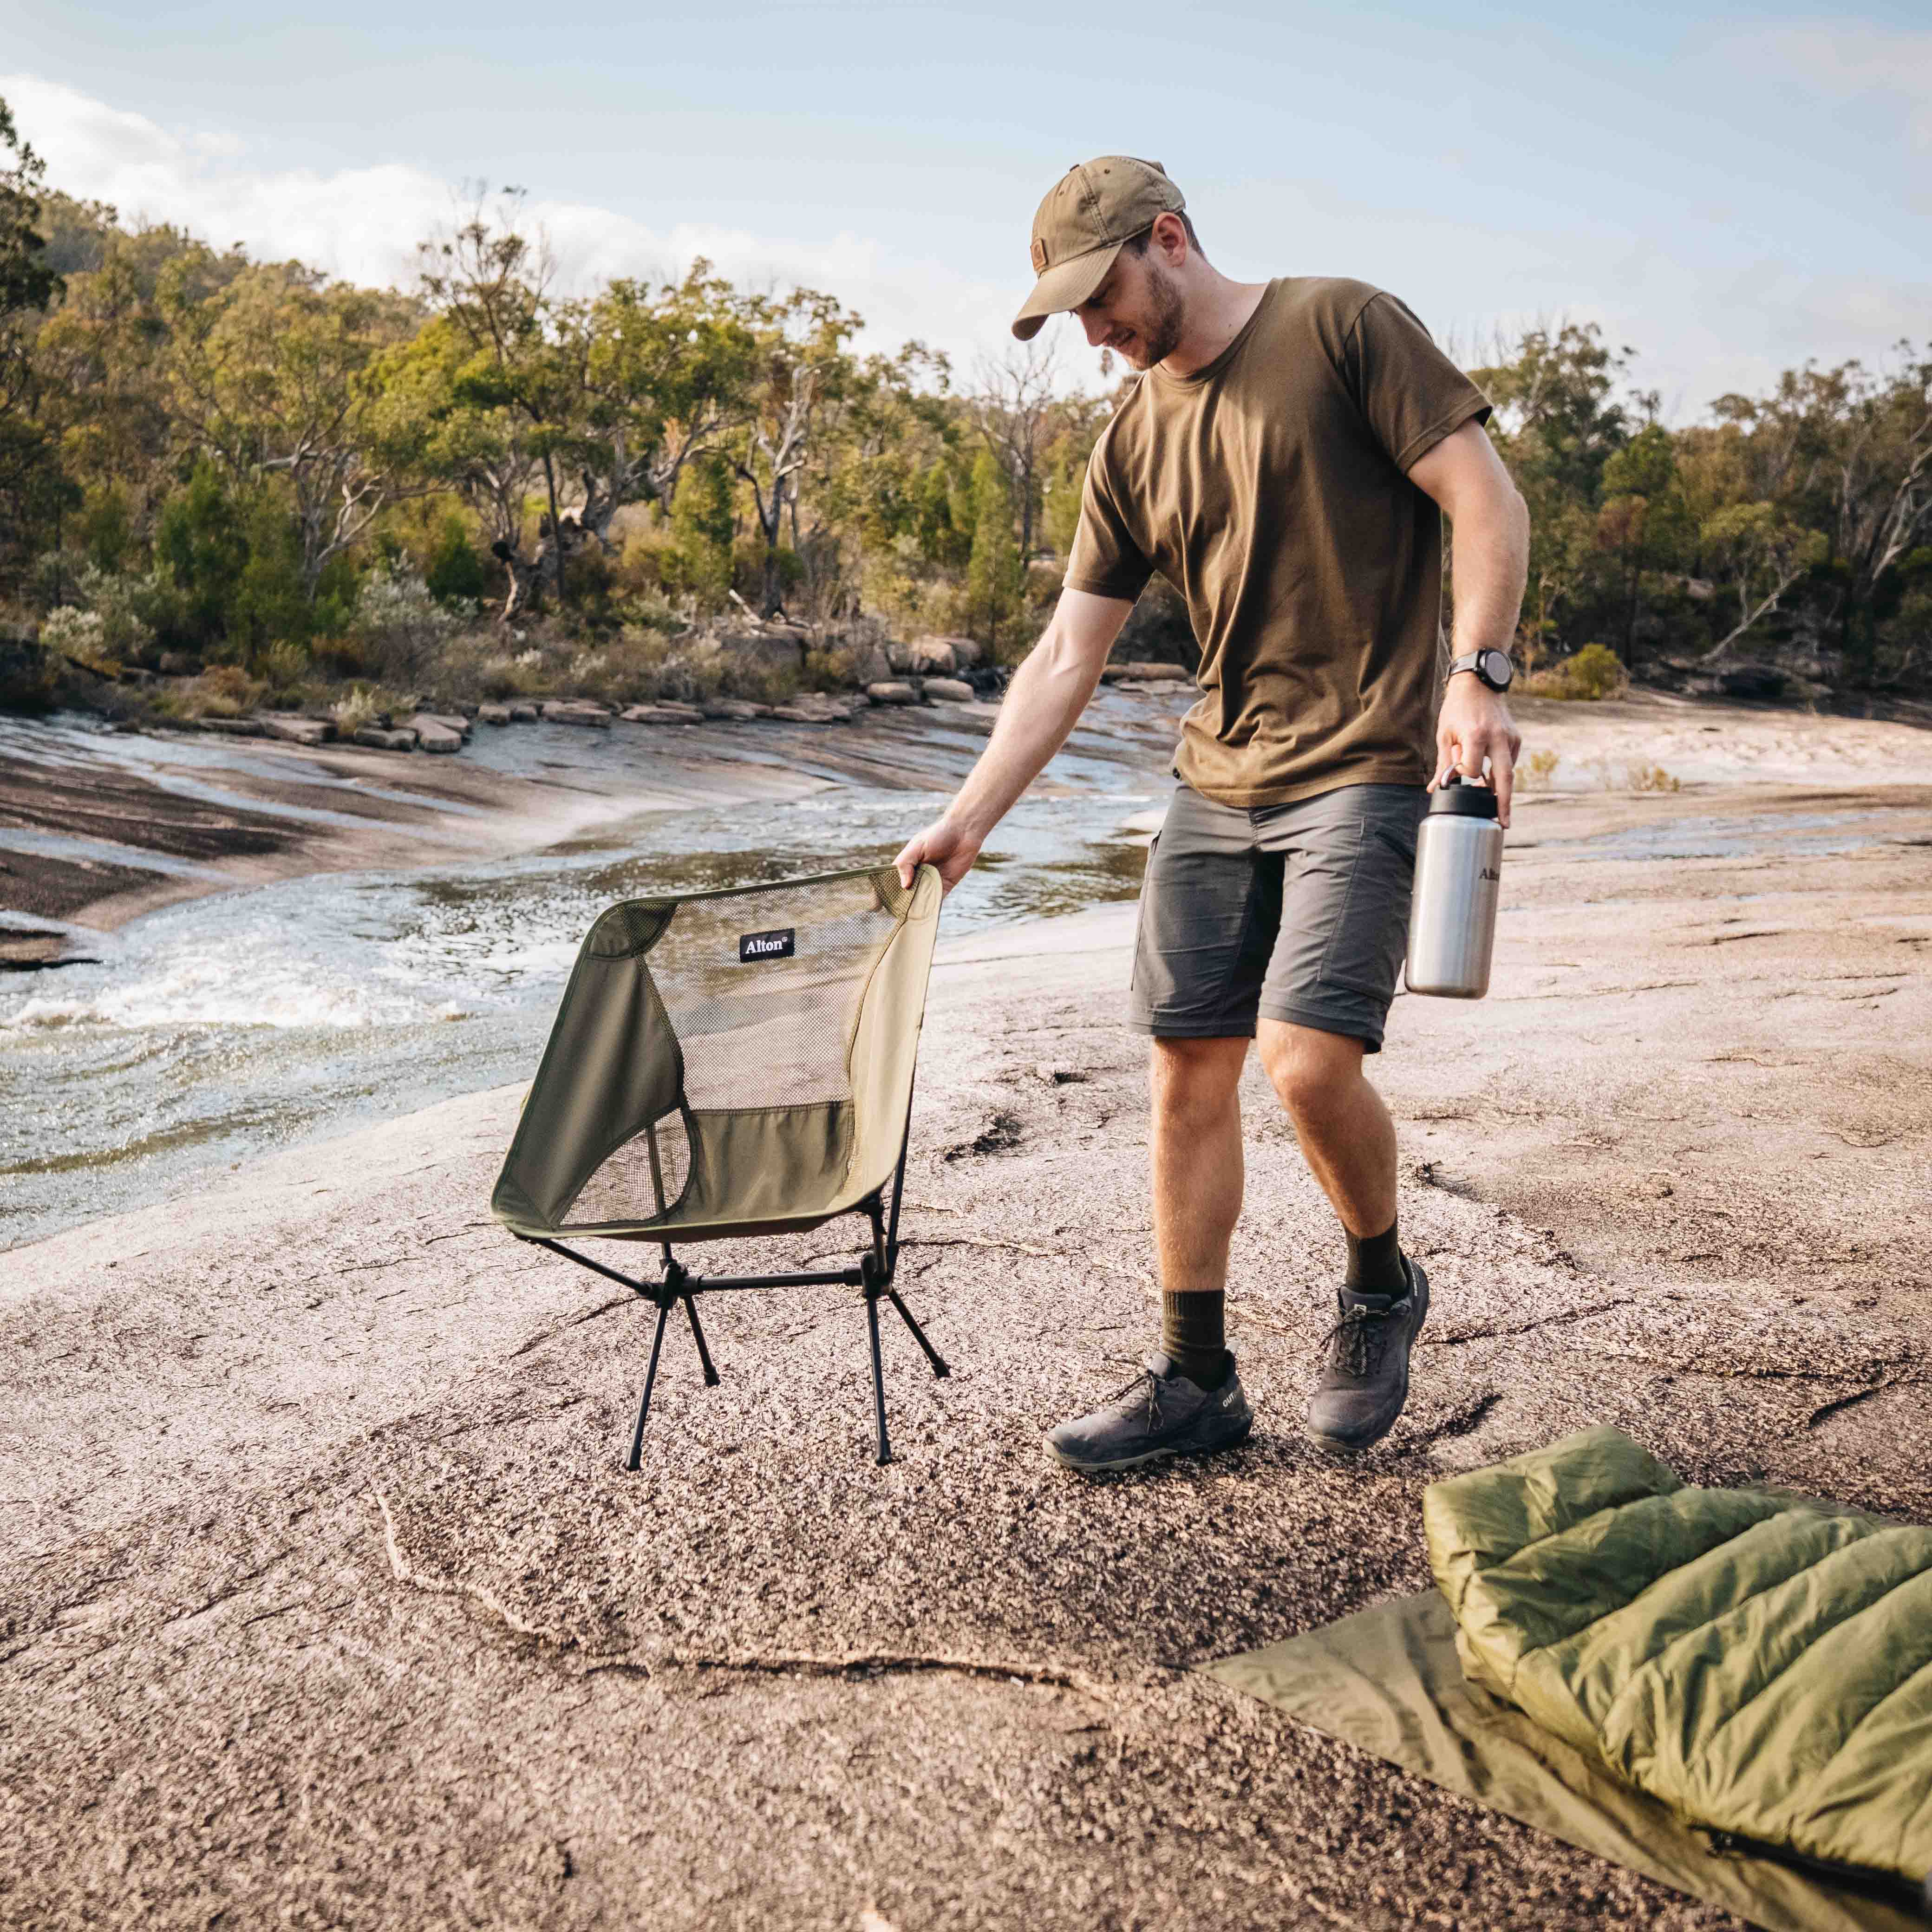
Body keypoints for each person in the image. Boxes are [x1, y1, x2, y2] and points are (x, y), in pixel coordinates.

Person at [894, 157, 1528, 1473]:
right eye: (1069, 315)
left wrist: (1480, 674)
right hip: (1214, 777)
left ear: (1168, 240)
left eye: (1101, 297)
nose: (1094, 334)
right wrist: (968, 820)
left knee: (1304, 1060)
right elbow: (1069, 656)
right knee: (1187, 1069)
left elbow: (1485, 497)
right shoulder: (1131, 438)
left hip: (1363, 762)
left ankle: (1378, 1284)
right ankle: (1195, 1377)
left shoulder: (1341, 326)